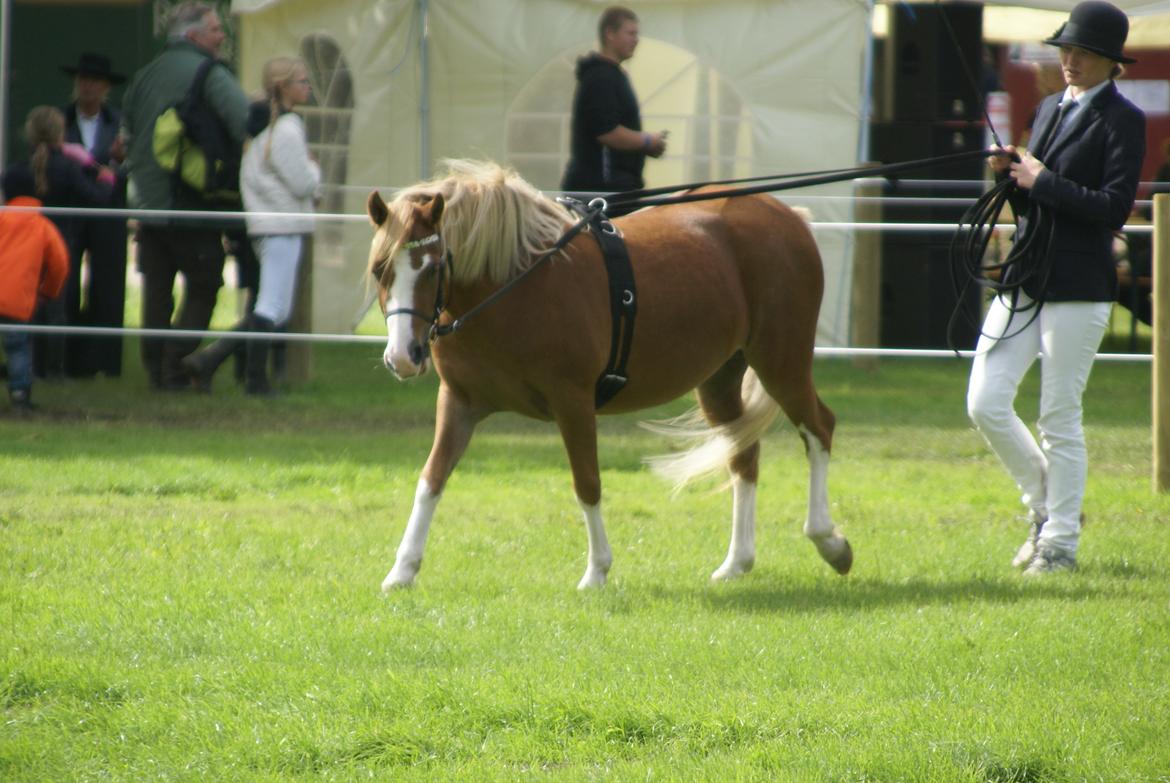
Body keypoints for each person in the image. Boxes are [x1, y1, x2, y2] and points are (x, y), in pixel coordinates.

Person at [969, 0, 1145, 575]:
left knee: (1058, 417)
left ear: (1108, 62)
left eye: (1082, 53)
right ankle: (1045, 506)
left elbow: (1112, 208)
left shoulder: (1123, 120)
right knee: (985, 402)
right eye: (1065, 49)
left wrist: (1042, 178)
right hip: (1027, 275)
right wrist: (1014, 179)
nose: (1069, 59)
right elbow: (1034, 203)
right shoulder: (1047, 109)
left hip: (1080, 284)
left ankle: (1060, 543)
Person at [120, 1, 249, 390]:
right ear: (193, 36)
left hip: (145, 204)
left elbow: (125, 135)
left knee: (156, 292)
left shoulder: (143, 76)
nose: (222, 36)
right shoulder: (209, 73)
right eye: (215, 30)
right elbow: (244, 118)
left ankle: (155, 371)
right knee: (205, 283)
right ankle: (176, 367)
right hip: (191, 204)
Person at [181, 56, 319, 395]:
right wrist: (316, 172)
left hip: (268, 224)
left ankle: (210, 362)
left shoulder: (262, 130)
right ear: (284, 87)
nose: (307, 87)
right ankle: (251, 379)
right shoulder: (286, 129)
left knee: (274, 306)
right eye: (301, 81)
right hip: (281, 225)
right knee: (272, 307)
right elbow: (303, 183)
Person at [8, 106, 117, 381]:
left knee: (24, 308)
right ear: (61, 135)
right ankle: (55, 370)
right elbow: (97, 197)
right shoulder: (68, 169)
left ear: (30, 135)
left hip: (22, 249)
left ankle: (28, 367)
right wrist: (106, 177)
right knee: (57, 308)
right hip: (59, 246)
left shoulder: (16, 172)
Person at [61, 52, 130, 378]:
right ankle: (69, 360)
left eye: (94, 81)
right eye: (83, 80)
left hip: (108, 214)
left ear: (105, 87)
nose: (88, 86)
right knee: (66, 283)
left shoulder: (118, 123)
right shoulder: (61, 121)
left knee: (108, 286)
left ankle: (106, 361)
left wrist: (117, 162)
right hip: (70, 212)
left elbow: (131, 167)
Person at [561, 5, 666, 197]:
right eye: (631, 33)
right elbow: (607, 133)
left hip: (615, 187)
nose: (636, 40)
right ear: (610, 33)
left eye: (637, 34)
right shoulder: (601, 77)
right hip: (600, 191)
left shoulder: (612, 75)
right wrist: (648, 140)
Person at [0, 168, 71, 414]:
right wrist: (48, 292)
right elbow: (60, 263)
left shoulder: (1, 218)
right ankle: (20, 396)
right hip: (18, 301)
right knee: (18, 348)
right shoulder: (42, 226)